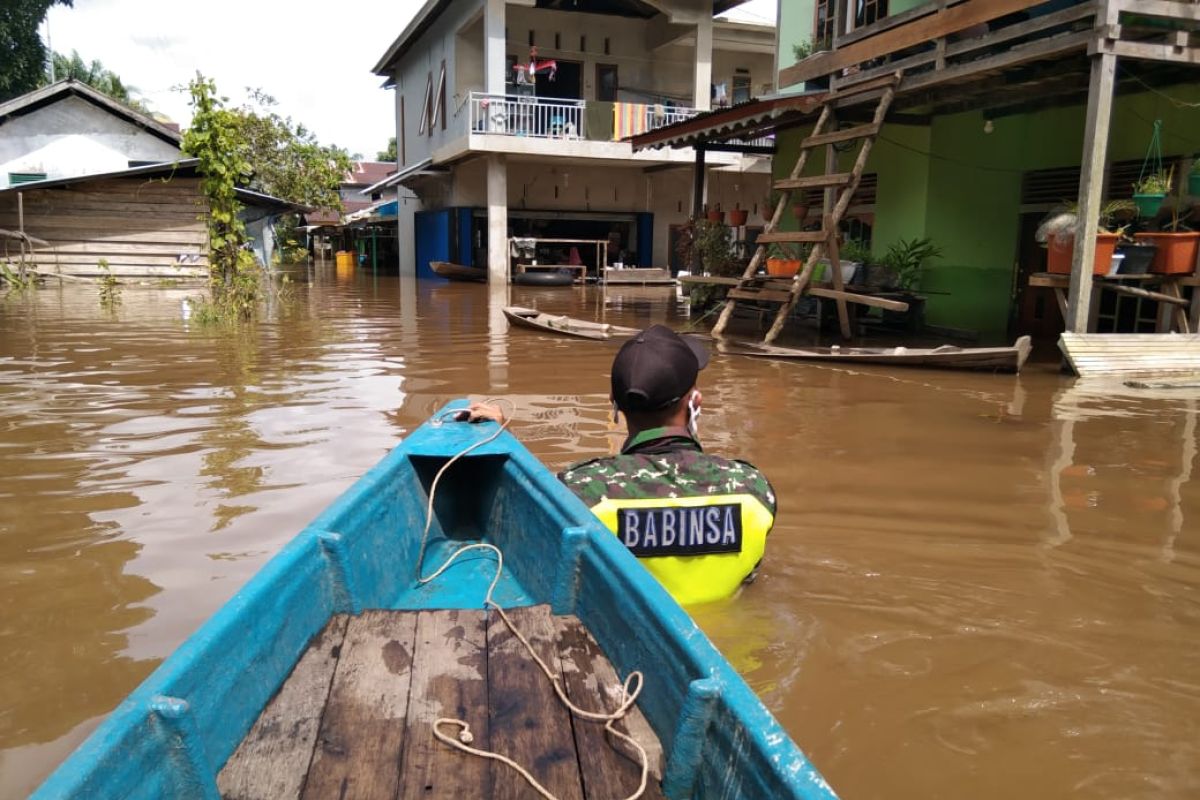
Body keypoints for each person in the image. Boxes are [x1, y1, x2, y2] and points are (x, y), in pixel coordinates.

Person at [465, 325, 776, 606]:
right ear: (695, 402)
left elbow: (524, 511)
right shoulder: (754, 490)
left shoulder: (580, 492)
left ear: (614, 404)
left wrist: (506, 441)